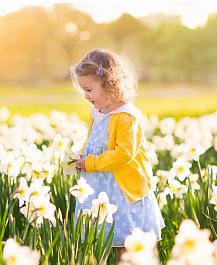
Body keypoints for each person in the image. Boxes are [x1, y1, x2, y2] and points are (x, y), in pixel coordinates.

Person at [72, 49, 164, 262]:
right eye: (83, 90)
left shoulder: (126, 116)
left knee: (125, 240)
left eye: (88, 90)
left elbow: (124, 154)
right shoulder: (97, 111)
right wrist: (82, 155)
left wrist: (92, 162)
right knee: (102, 237)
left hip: (122, 189)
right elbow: (93, 140)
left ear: (109, 84)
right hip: (99, 183)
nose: (86, 96)